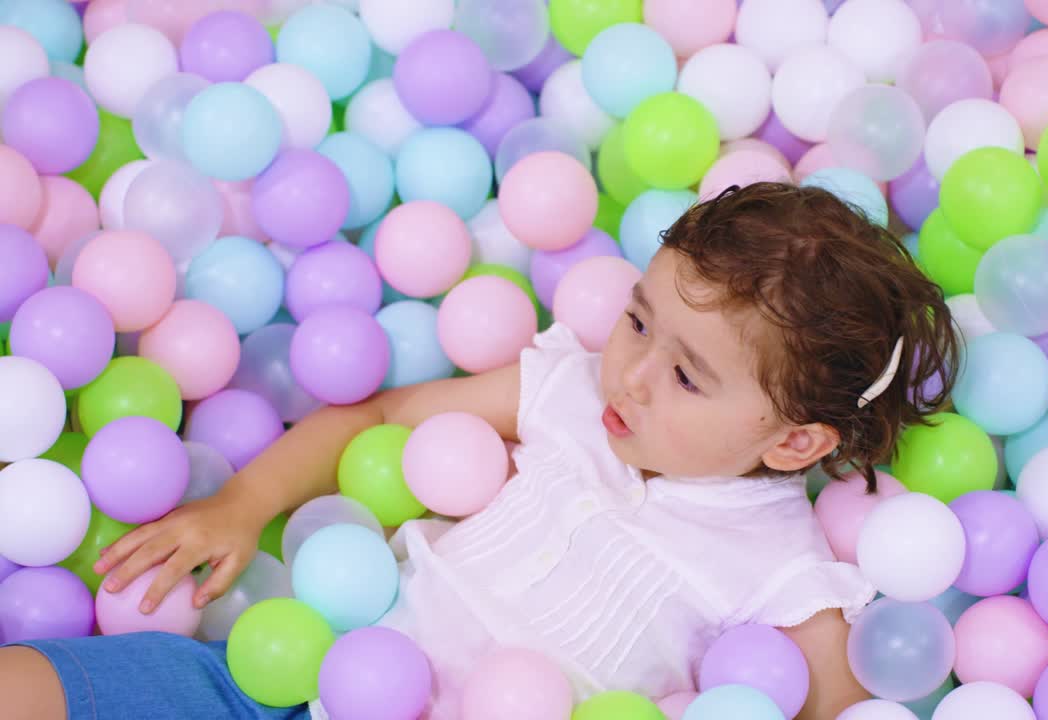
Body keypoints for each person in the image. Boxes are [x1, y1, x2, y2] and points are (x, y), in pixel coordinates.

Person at [0, 182, 959, 720]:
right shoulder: (560, 393)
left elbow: (834, 707)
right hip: (291, 679)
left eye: (687, 376)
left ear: (795, 441)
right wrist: (243, 505)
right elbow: (373, 422)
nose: (628, 374)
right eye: (636, 321)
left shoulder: (785, 576)